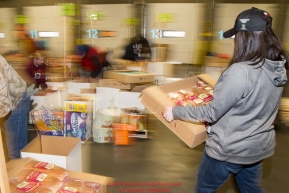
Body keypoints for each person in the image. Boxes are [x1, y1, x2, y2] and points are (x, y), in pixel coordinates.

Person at [163, 7, 288, 193]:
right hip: (257, 147)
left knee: (204, 189)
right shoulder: (277, 67)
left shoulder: (241, 71)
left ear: (245, 37)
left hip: (229, 149)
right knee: (251, 189)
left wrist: (175, 111)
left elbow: (211, 112)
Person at [0, 55, 38, 159]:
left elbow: (3, 97)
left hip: (16, 101)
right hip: (7, 102)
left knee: (16, 150)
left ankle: (20, 171)